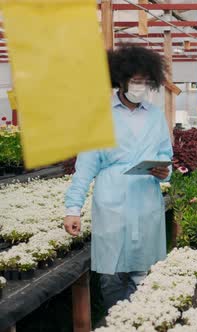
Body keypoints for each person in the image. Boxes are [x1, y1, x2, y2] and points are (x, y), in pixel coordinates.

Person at [63, 45, 173, 309]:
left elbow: (165, 156)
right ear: (120, 80)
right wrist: (72, 209)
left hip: (146, 198)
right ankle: (117, 320)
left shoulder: (156, 116)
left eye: (146, 82)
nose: (141, 87)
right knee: (112, 274)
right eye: (136, 81)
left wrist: (163, 171)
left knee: (146, 272)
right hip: (112, 200)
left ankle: (144, 321)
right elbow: (86, 167)